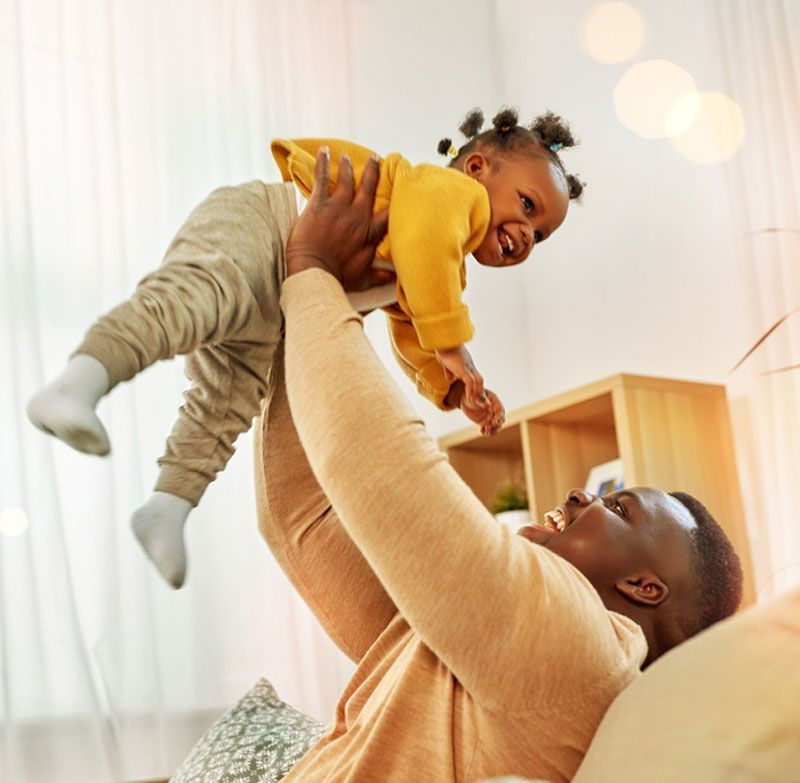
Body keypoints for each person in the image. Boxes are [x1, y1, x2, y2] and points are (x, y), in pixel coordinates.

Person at [254, 149, 744, 782]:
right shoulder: (486, 648)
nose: (580, 494)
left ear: (644, 590)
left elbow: (375, 469)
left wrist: (313, 274)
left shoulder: (581, 646)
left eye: (619, 506)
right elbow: (301, 518)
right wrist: (335, 297)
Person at [26, 106, 582, 588]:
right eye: (529, 207)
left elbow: (413, 334)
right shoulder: (446, 196)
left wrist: (453, 385)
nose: (528, 235)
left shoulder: (442, 272)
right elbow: (427, 252)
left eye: (543, 234)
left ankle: (169, 503)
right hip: (267, 224)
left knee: (229, 398)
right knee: (192, 302)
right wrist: (456, 346)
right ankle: (78, 384)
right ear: (477, 169)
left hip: (286, 290)